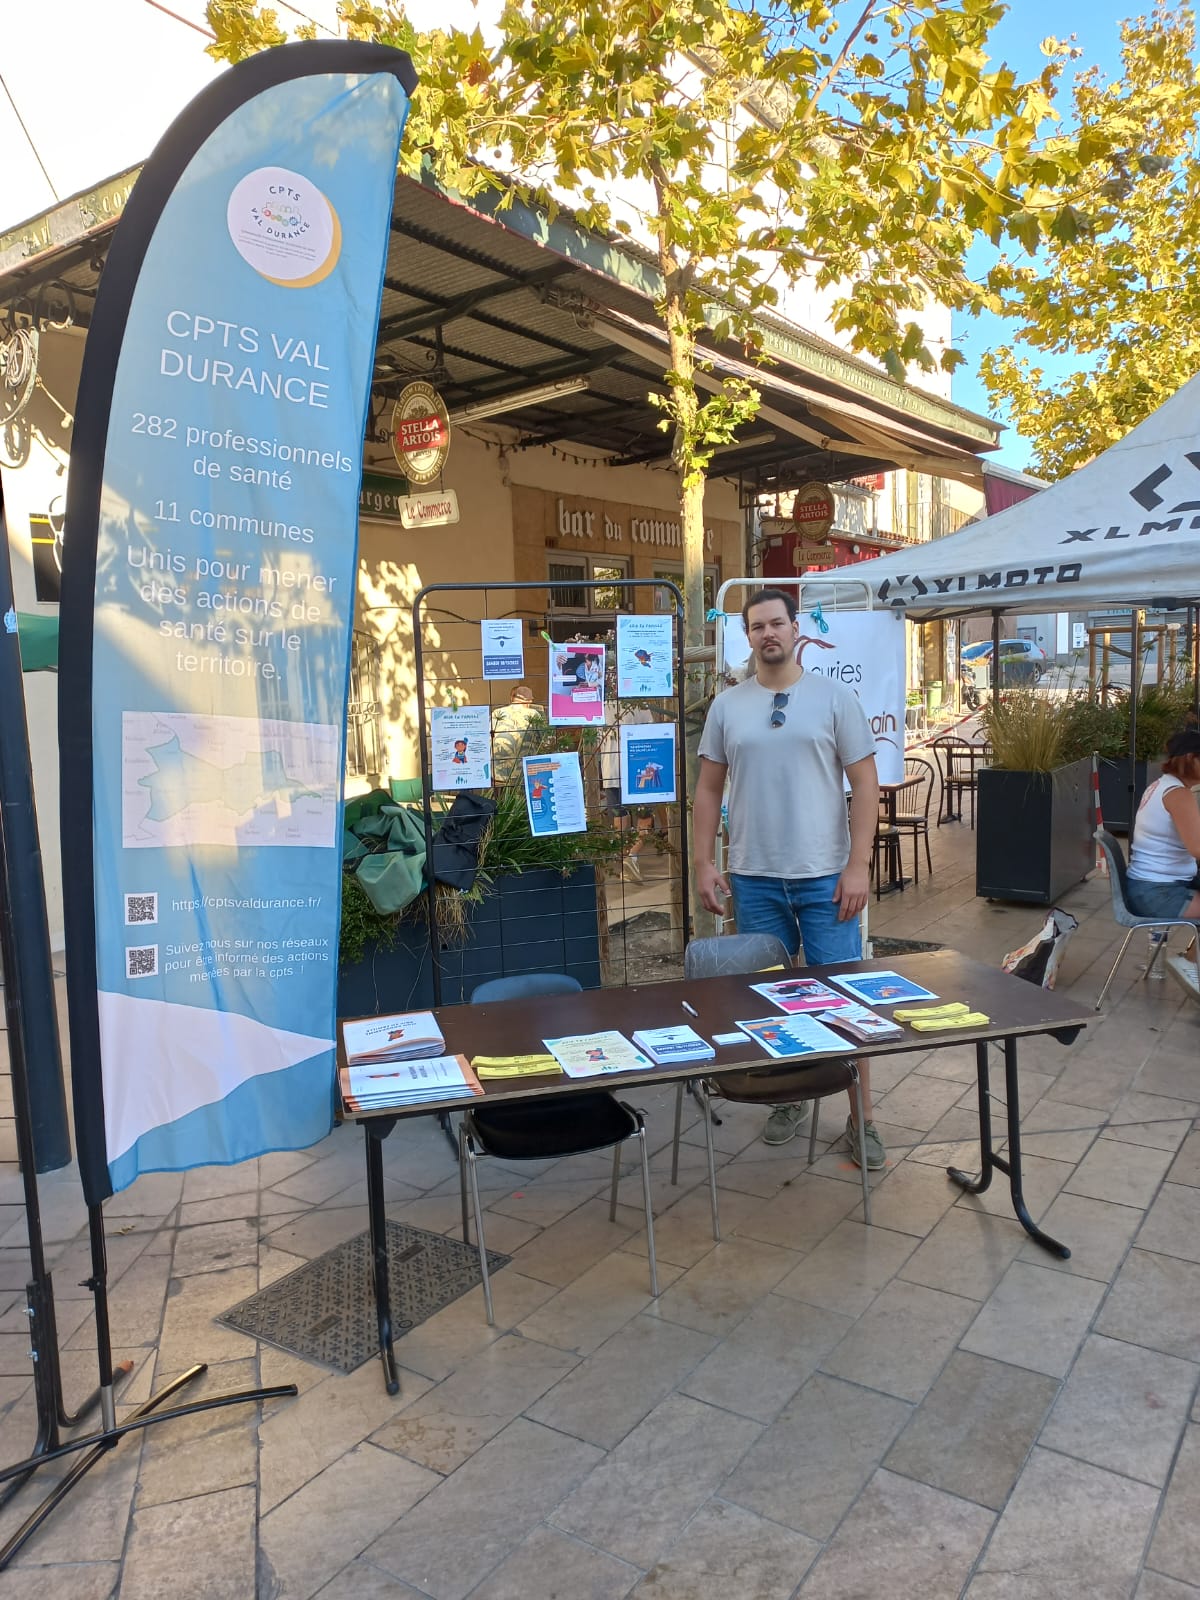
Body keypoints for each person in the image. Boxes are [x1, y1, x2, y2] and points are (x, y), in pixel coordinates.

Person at [694, 586, 885, 1165]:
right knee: (771, 1001)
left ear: (796, 628)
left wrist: (859, 865)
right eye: (757, 627)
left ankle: (862, 1119)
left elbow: (867, 784)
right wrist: (704, 861)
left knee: (846, 1004)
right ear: (746, 635)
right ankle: (789, 1097)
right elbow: (707, 789)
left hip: (827, 878)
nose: (768, 634)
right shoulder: (728, 707)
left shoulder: (834, 698)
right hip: (753, 877)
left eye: (777, 623)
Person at [1126, 728, 1200, 936]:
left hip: (1146, 887)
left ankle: (1189, 961)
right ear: (1190, 758)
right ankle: (1189, 963)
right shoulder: (1178, 793)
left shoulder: (1161, 785)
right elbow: (1197, 848)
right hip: (1157, 893)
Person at [490, 684, 544, 783]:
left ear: (511, 698)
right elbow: (544, 740)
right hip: (524, 773)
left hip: (498, 773)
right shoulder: (533, 714)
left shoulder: (496, 713)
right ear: (529, 701)